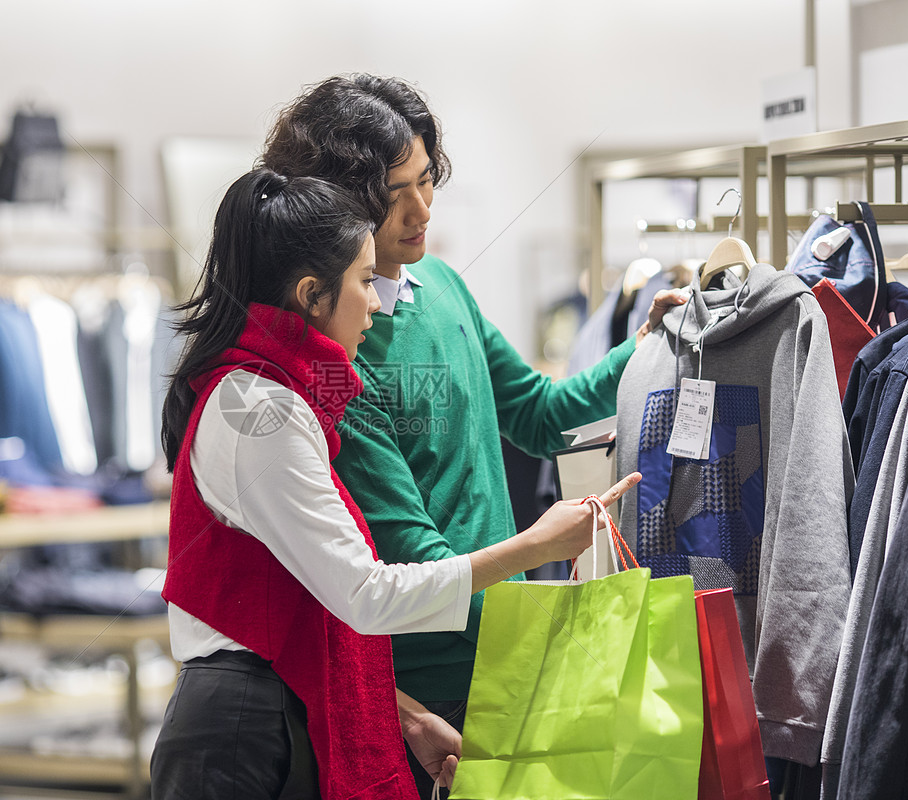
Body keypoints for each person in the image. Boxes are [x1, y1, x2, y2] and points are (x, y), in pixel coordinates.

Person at [151, 166, 640, 799]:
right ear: (310, 294)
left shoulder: (287, 389)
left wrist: (402, 715)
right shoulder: (262, 413)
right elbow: (365, 591)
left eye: (427, 179)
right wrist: (536, 550)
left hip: (288, 699)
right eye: (362, 280)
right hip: (246, 725)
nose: (378, 301)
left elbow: (318, 600)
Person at [262, 74, 686, 797]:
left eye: (428, 181)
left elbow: (541, 412)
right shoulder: (336, 354)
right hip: (427, 690)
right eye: (395, 193)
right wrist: (553, 629)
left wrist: (642, 343)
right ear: (337, 200)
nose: (421, 208)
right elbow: (408, 551)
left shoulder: (445, 288)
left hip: (509, 651)